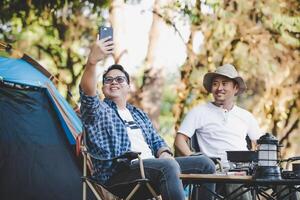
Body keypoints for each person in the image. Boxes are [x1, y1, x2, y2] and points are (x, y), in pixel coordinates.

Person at [79, 36, 216, 200]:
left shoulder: (138, 114)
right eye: (108, 80)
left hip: (153, 168)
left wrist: (164, 152)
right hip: (120, 174)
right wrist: (92, 62)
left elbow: (156, 140)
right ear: (103, 87)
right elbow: (87, 93)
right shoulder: (99, 111)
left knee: (205, 164)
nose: (113, 82)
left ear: (128, 86)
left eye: (119, 79)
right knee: (168, 166)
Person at [174, 64, 263, 199]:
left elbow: (259, 144)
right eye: (215, 84)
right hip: (216, 169)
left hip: (244, 169)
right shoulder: (199, 112)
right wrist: (196, 159)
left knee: (288, 184)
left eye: (224, 83)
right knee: (237, 185)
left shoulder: (246, 116)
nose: (219, 88)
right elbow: (179, 140)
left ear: (235, 88)